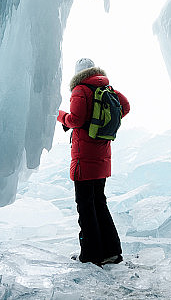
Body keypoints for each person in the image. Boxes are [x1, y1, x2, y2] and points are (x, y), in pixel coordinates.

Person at [57, 57, 130, 266]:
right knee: (99, 204)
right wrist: (102, 125)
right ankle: (112, 251)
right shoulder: (107, 88)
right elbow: (125, 107)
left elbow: (76, 120)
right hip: (102, 155)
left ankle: (91, 254)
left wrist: (60, 116)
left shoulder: (80, 90)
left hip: (84, 157)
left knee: (86, 208)